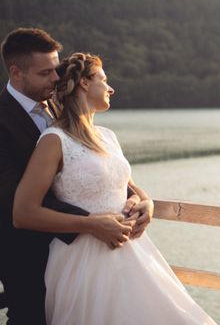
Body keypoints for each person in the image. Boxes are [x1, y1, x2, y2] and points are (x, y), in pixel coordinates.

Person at [12, 51, 216, 324]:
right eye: (103, 79)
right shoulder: (54, 140)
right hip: (85, 261)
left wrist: (147, 203)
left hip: (134, 252)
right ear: (84, 83)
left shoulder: (108, 136)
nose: (110, 88)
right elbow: (23, 212)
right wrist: (92, 225)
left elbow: (127, 185)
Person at [0, 28, 150, 324]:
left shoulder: (61, 103)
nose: (56, 80)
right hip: (26, 254)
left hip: (98, 249)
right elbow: (13, 199)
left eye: (56, 71)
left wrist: (143, 200)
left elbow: (99, 171)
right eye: (45, 73)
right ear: (17, 73)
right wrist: (92, 223)